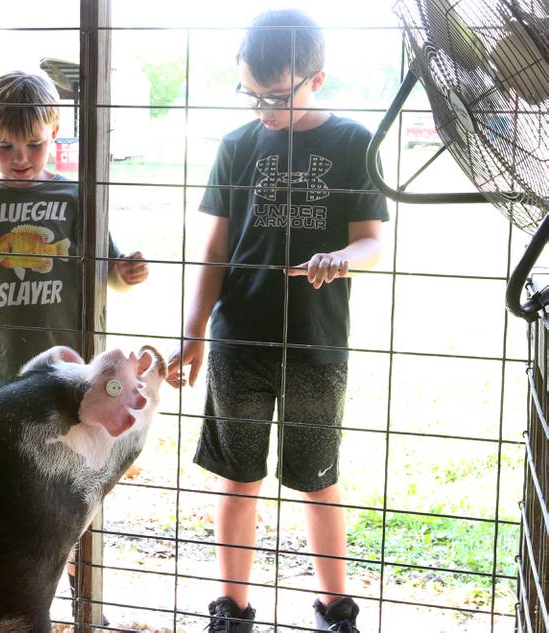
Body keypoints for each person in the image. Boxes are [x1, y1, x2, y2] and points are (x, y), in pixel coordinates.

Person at [165, 9, 388, 632]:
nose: (263, 108)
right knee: (237, 479)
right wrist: (193, 333)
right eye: (251, 94)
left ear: (317, 77)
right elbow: (213, 252)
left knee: (318, 480)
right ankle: (231, 610)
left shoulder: (352, 143)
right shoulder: (237, 147)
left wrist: (339, 259)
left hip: (317, 345)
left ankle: (335, 608)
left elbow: (371, 242)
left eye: (276, 96)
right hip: (240, 341)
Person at [0, 70, 148, 396]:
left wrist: (126, 274)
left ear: (54, 132)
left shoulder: (76, 197)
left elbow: (109, 276)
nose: (21, 158)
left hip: (70, 369)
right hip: (0, 371)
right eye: (5, 145)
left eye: (35, 144)